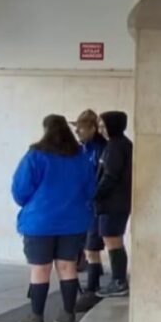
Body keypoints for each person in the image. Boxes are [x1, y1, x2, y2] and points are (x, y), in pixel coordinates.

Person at [11, 114, 97, 322]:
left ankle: (36, 317)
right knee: (68, 267)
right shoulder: (81, 158)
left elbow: (21, 190)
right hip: (73, 222)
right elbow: (90, 190)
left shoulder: (35, 156)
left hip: (40, 222)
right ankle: (68, 315)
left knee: (40, 269)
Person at [90, 111, 133, 298]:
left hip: (113, 202)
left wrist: (95, 194)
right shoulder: (119, 144)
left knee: (113, 241)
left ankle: (118, 281)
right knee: (113, 240)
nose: (100, 130)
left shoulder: (116, 146)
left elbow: (110, 176)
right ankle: (118, 280)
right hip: (115, 201)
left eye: (103, 126)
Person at [71, 109, 107, 295]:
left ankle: (92, 287)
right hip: (85, 204)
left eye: (81, 128)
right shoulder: (83, 148)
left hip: (95, 203)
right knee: (88, 246)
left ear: (93, 128)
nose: (77, 132)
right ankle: (94, 279)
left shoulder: (101, 149)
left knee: (91, 247)